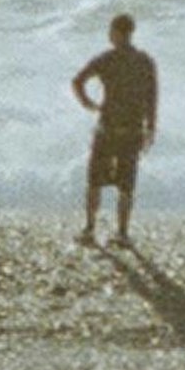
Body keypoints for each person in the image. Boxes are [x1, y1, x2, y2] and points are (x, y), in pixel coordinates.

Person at [72, 13, 158, 247]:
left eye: (111, 31)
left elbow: (77, 81)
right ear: (131, 32)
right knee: (126, 184)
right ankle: (122, 232)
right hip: (132, 128)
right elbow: (152, 98)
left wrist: (89, 104)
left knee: (95, 181)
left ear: (116, 33)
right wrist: (151, 127)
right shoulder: (145, 61)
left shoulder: (107, 59)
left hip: (108, 126)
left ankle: (90, 229)